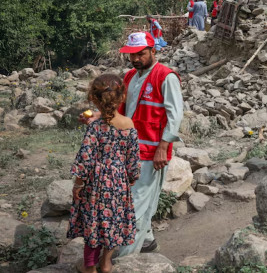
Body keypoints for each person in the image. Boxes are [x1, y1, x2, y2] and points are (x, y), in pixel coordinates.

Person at [81, 32, 183, 255]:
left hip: (150, 151)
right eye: (132, 55)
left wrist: (163, 149)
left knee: (133, 205)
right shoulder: (129, 77)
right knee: (135, 199)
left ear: (153, 51)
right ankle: (146, 241)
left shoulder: (166, 77)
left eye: (141, 54)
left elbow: (175, 117)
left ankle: (125, 259)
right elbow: (118, 109)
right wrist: (97, 117)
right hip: (127, 150)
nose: (136, 59)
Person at [68, 74, 141, 273]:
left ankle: (89, 266)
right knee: (113, 221)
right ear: (122, 97)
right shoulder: (129, 124)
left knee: (93, 224)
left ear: (94, 98)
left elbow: (85, 158)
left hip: (95, 184)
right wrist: (132, 178)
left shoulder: (95, 127)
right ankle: (106, 263)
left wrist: (78, 184)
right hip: (118, 183)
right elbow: (133, 157)